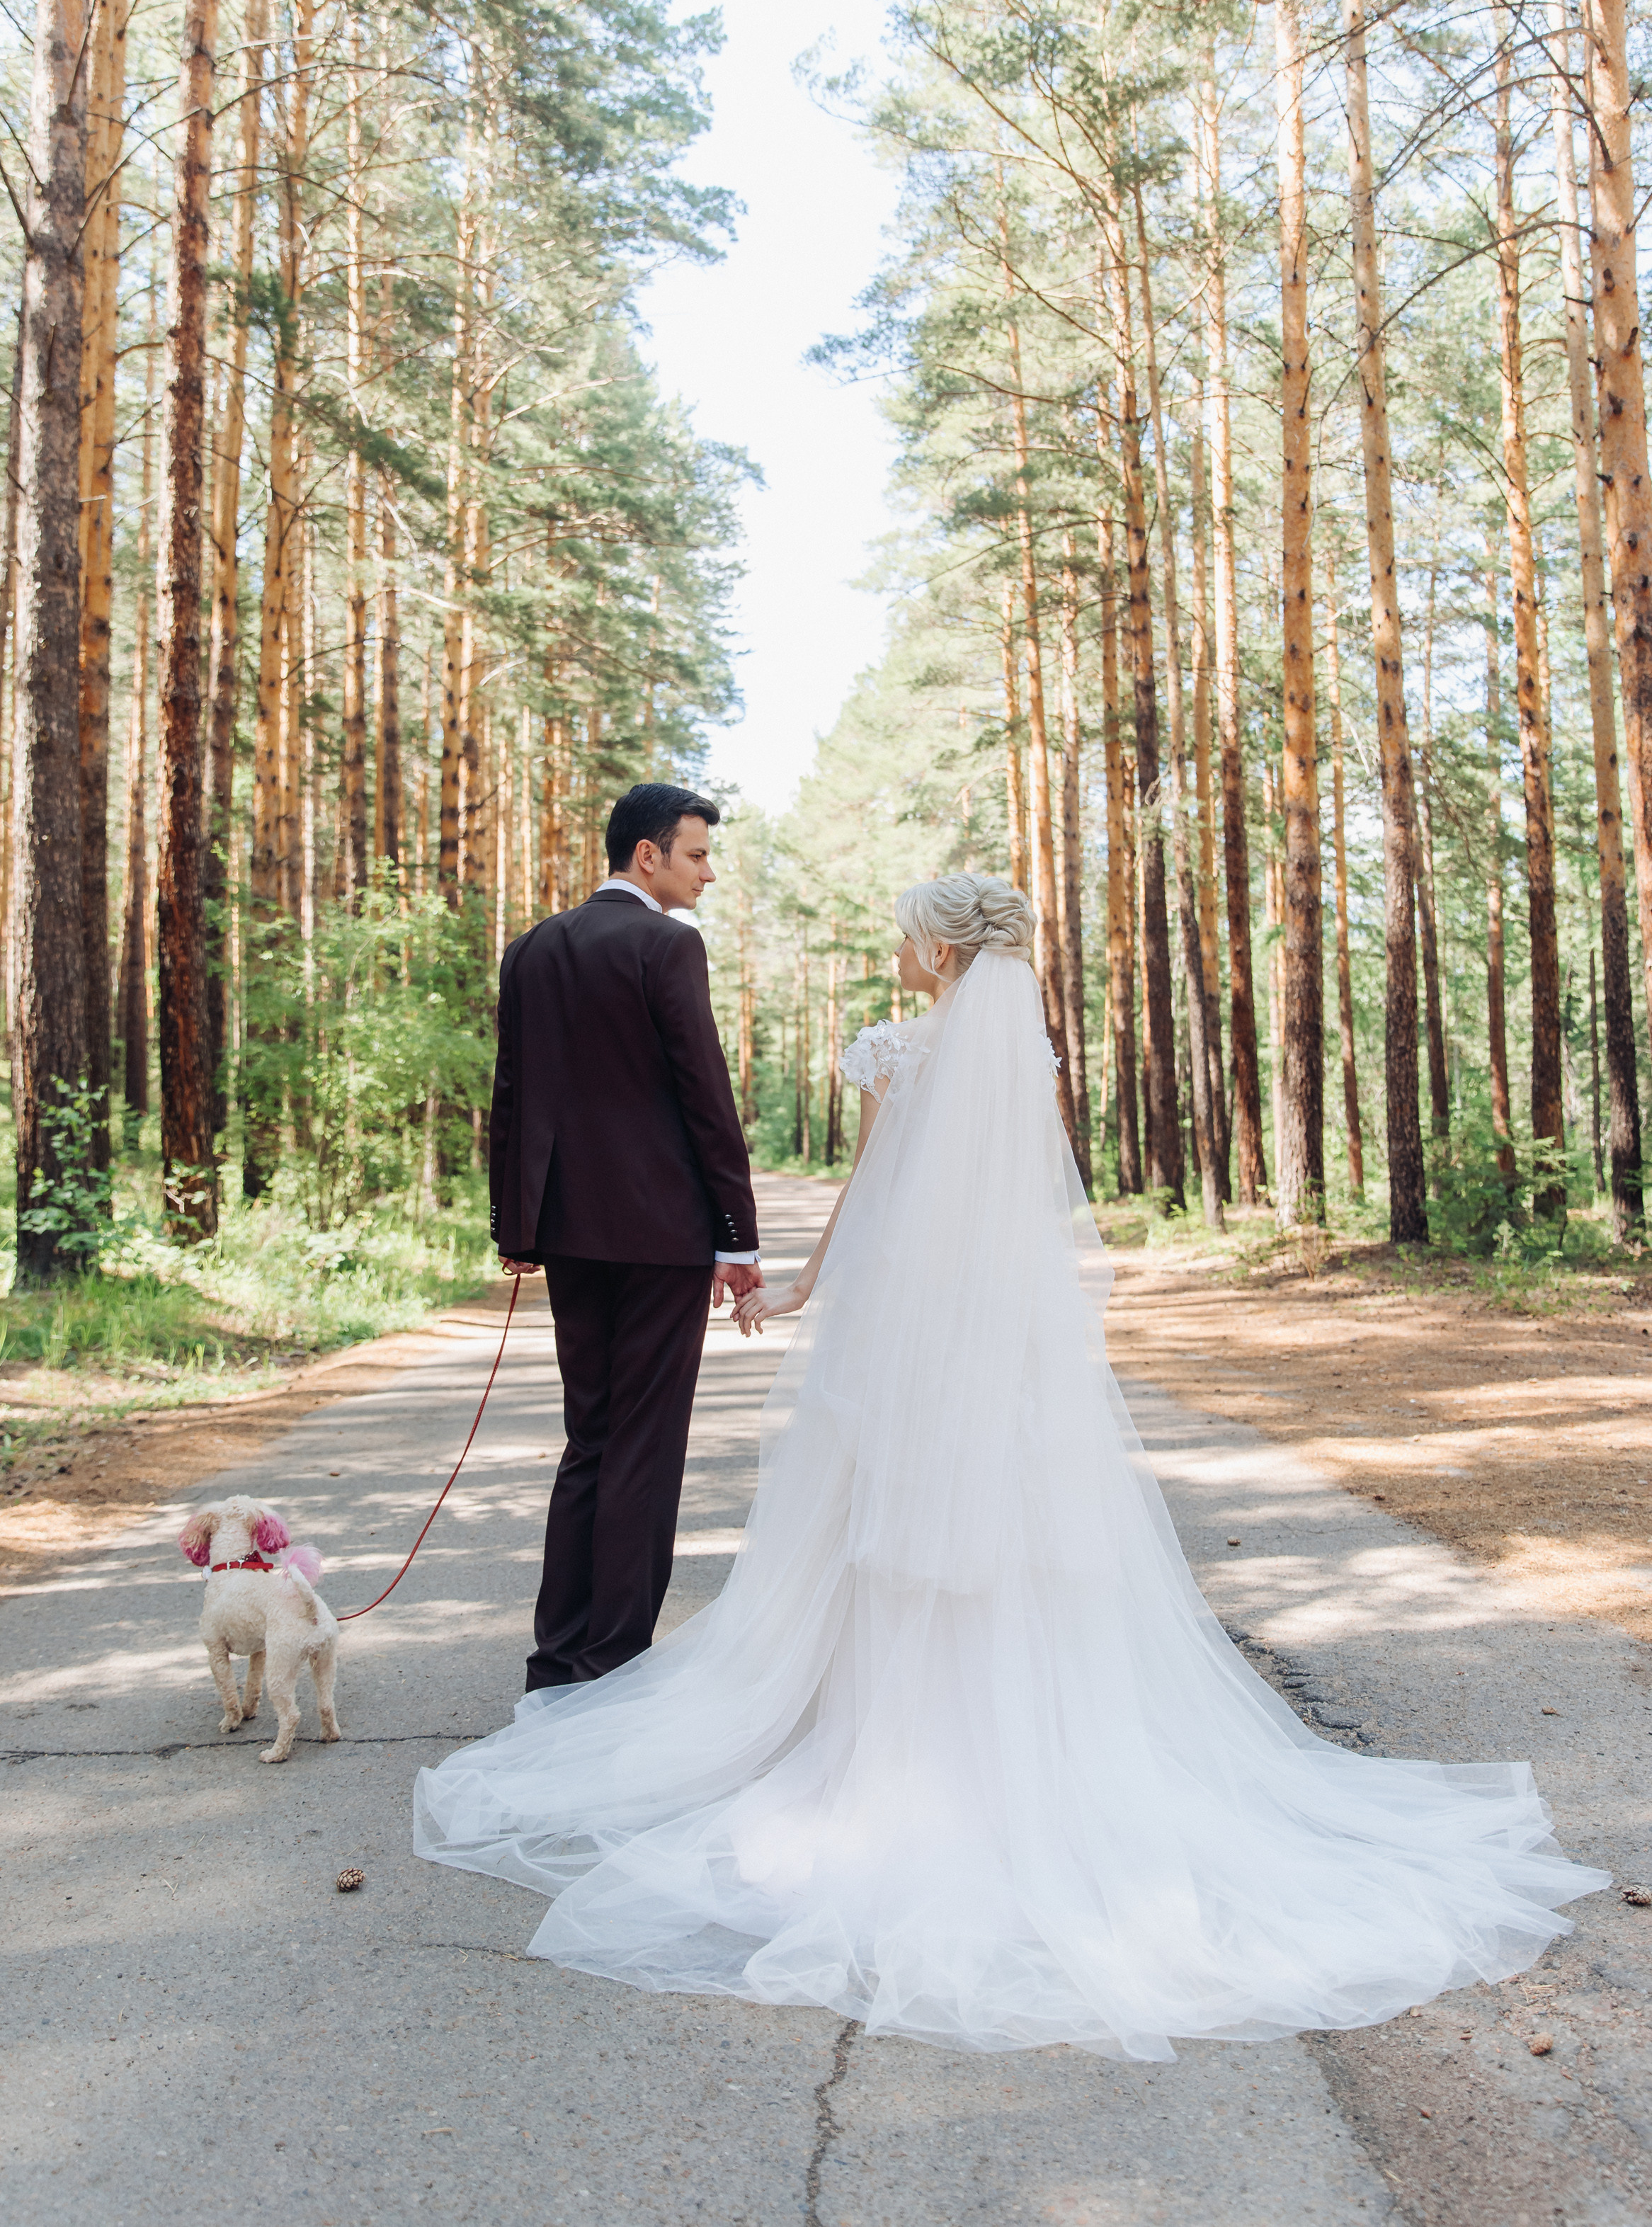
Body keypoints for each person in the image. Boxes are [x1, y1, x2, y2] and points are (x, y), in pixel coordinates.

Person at [419, 871, 1607, 2059]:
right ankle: (1008, 1732)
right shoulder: (1018, 1059)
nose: (895, 948)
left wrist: (804, 1287)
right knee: (1001, 1509)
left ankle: (882, 1738)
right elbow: (1025, 1208)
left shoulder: (890, 1051)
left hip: (897, 1328)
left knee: (878, 1511)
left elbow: (868, 1195)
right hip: (998, 1334)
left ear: (938, 952)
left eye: (904, 934)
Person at [488, 781, 762, 1696]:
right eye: (697, 854)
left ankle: (557, 1661)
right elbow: (704, 1093)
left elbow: (513, 1094)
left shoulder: (531, 948)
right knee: (644, 1445)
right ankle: (610, 1666)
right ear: (648, 855)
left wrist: (515, 1224)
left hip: (566, 1231)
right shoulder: (667, 944)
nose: (707, 874)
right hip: (662, 1235)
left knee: (591, 1438)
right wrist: (736, 1237)